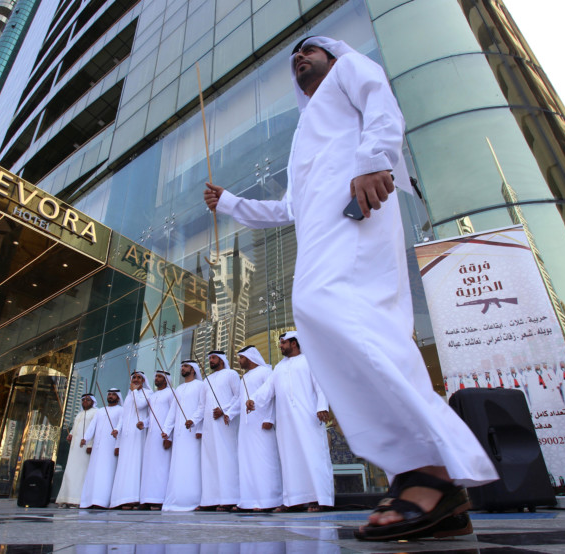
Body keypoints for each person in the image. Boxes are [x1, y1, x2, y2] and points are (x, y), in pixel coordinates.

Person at [204, 36, 497, 540]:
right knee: (321, 315)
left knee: (346, 315)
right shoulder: (303, 133)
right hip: (321, 236)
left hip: (359, 213)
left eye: (309, 50)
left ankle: (434, 468)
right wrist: (230, 202)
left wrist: (374, 159)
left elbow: (380, 100)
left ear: (333, 58)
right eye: (294, 56)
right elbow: (288, 210)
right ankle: (417, 474)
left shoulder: (349, 72)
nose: (300, 56)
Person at [248, 332, 332, 512]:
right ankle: (292, 501)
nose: (280, 346)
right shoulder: (278, 367)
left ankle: (319, 499)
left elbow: (321, 385)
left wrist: (322, 406)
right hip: (285, 422)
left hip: (308, 417)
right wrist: (254, 400)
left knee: (313, 456)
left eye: (283, 342)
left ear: (294, 343)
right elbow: (267, 389)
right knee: (289, 459)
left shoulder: (310, 360)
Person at [235, 346, 283, 512]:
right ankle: (249, 501)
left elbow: (272, 396)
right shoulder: (243, 379)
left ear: (249, 357)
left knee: (265, 461)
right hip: (246, 426)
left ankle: (269, 500)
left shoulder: (265, 372)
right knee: (248, 462)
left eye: (241, 358)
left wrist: (270, 418)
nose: (239, 361)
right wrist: (227, 413)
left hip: (262, 424)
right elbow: (239, 402)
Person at [199, 350, 241, 511]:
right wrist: (194, 422)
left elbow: (238, 396)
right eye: (209, 358)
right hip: (209, 427)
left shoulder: (231, 374)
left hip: (225, 424)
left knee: (226, 459)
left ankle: (229, 499)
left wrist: (224, 410)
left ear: (222, 360)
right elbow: (202, 406)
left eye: (214, 358)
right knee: (210, 461)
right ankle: (210, 500)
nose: (211, 360)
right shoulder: (206, 380)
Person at [162, 361, 206, 511]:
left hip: (193, 433)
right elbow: (173, 412)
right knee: (178, 465)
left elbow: (202, 407)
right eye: (181, 366)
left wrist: (193, 421)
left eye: (185, 366)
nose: (182, 368)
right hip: (180, 435)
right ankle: (177, 499)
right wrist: (166, 431)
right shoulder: (178, 389)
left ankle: (194, 499)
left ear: (193, 370)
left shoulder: (201, 385)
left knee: (193, 465)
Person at [110, 371, 151, 509]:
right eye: (134, 377)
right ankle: (121, 498)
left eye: (139, 378)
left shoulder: (147, 393)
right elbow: (124, 416)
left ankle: (134, 498)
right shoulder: (128, 397)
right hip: (126, 437)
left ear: (144, 381)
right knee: (124, 465)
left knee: (135, 464)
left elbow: (140, 405)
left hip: (138, 434)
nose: (136, 379)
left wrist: (134, 392)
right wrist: (117, 430)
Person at [79, 388, 123, 509]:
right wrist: (86, 438)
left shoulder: (121, 410)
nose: (111, 396)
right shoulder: (100, 411)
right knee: (94, 473)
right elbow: (92, 426)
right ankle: (90, 500)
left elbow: (120, 425)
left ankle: (102, 501)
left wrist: (117, 432)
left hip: (110, 447)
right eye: (109, 394)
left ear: (118, 397)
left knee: (106, 473)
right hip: (98, 447)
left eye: (113, 395)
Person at [139, 370, 175, 509]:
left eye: (160, 376)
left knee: (161, 467)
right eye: (156, 376)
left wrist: (169, 436)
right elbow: (151, 416)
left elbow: (173, 415)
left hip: (164, 435)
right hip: (151, 436)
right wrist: (144, 423)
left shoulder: (171, 393)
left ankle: (159, 499)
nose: (157, 378)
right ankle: (147, 498)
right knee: (149, 467)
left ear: (166, 379)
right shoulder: (153, 396)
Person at [56, 394, 98, 507]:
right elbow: (75, 429)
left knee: (81, 473)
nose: (85, 401)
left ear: (93, 402)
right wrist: (70, 435)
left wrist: (90, 444)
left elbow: (94, 430)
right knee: (70, 472)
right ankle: (66, 498)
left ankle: (77, 499)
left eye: (88, 400)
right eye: (83, 400)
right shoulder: (79, 414)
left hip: (85, 448)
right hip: (75, 448)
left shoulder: (95, 413)